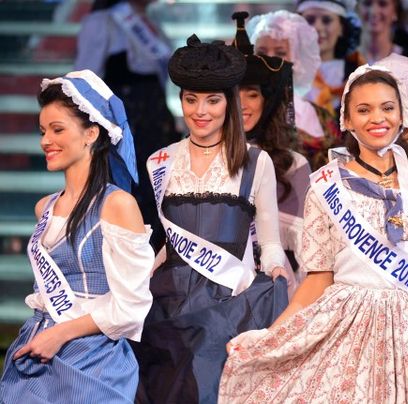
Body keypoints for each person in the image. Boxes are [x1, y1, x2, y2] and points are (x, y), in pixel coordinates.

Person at [218, 62, 408, 402]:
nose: (377, 118)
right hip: (344, 336)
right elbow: (316, 281)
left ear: (403, 116)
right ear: (348, 120)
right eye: (364, 109)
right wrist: (271, 334)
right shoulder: (327, 187)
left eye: (387, 108)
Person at [132, 35, 289, 404]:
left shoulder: (255, 161)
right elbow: (164, 241)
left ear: (228, 103)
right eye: (191, 99)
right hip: (167, 305)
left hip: (229, 304)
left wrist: (277, 271)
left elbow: (269, 244)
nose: (200, 111)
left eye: (212, 100)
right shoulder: (160, 161)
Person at [0, 70, 154, 403]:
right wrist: (47, 336)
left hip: (93, 360)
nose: (45, 141)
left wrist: (59, 334)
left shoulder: (117, 205)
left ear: (91, 134)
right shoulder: (45, 207)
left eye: (57, 129)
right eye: (43, 131)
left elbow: (131, 308)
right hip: (37, 349)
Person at [75, 0, 181, 251]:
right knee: (127, 189)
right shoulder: (102, 21)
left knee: (157, 188)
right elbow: (83, 79)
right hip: (123, 123)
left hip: (155, 121)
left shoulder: (149, 22)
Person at [233, 11, 310, 291]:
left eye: (252, 94)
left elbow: (306, 249)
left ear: (266, 101)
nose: (242, 105)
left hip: (275, 289)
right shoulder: (201, 156)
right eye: (234, 94)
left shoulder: (294, 164)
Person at [247, 10, 342, 169]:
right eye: (261, 52)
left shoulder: (321, 117)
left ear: (298, 58)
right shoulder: (245, 114)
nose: (270, 59)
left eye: (280, 52)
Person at [296, 0, 365, 116]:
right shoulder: (291, 73)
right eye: (310, 20)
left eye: (326, 20)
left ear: (342, 28)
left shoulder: (358, 74)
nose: (317, 27)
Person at [356, 0, 408, 67]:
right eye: (367, 3)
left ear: (395, 11)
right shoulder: (347, 61)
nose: (373, 11)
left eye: (383, 4)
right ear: (357, 9)